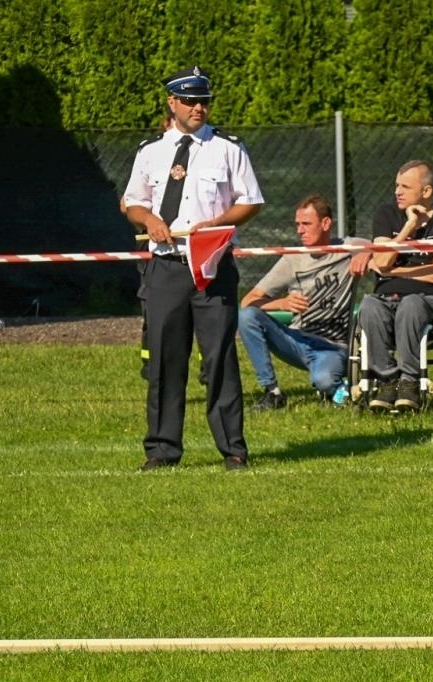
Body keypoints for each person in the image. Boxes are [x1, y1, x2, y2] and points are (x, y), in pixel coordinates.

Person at [122, 65, 263, 470]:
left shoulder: (228, 148)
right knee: (165, 360)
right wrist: (149, 220)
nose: (198, 108)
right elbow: (132, 202)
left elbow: (251, 200)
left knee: (219, 358)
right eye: (189, 101)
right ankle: (162, 450)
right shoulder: (151, 151)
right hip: (165, 268)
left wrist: (218, 223)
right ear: (172, 102)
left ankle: (233, 449)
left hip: (212, 266)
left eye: (204, 101)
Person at [358, 160, 433, 413]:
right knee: (369, 305)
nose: (397, 191)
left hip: (429, 301)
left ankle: (409, 381)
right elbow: (383, 260)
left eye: (405, 187)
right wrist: (408, 227)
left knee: (411, 303)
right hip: (386, 298)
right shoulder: (386, 215)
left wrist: (394, 271)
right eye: (396, 185)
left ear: (426, 191)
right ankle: (387, 380)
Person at [238, 195, 359, 409]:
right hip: (296, 341)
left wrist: (366, 253)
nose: (300, 230)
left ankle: (337, 386)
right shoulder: (292, 259)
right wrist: (282, 304)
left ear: (326, 223)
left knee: (324, 381)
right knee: (247, 316)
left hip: (333, 346)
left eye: (306, 224)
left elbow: (380, 246)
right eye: (297, 224)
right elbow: (248, 301)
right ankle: (272, 391)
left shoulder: (347, 248)